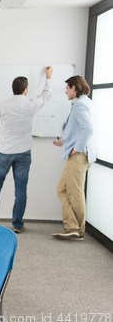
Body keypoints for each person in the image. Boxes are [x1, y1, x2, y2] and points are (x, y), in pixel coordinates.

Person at [0, 66, 54, 233]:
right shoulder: (31, 104)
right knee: (21, 190)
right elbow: (47, 94)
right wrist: (49, 77)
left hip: (3, 152)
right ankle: (17, 224)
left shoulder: (1, 106)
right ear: (26, 90)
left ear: (13, 89)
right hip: (23, 153)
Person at [52, 76, 97, 240]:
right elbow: (79, 129)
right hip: (79, 154)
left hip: (78, 156)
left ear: (74, 88)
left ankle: (78, 230)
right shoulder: (86, 103)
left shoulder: (79, 106)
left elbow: (88, 128)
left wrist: (76, 148)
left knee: (75, 192)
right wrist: (65, 142)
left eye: (67, 88)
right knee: (62, 189)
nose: (65, 92)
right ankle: (72, 226)